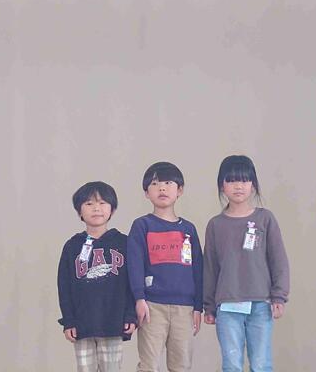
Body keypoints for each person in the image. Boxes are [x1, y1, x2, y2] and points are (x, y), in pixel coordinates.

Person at [203, 154, 290, 372]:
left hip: (261, 303)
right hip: (227, 306)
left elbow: (278, 259)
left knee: (261, 364)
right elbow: (210, 267)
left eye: (244, 180)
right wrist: (209, 306)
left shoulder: (265, 218)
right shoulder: (215, 225)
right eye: (231, 180)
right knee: (231, 364)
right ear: (222, 185)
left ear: (253, 184)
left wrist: (279, 295)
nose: (238, 186)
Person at [127, 162, 203, 372]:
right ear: (146, 193)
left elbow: (198, 269)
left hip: (184, 308)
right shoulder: (142, 225)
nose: (162, 188)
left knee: (181, 365)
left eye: (168, 183)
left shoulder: (188, 229)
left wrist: (198, 307)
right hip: (152, 306)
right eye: (155, 184)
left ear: (180, 190)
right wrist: (139, 298)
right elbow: (135, 264)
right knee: (149, 365)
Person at [57, 181, 137, 372]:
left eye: (102, 203)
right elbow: (64, 286)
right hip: (82, 323)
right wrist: (69, 320)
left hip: (113, 322)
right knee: (85, 368)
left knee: (112, 368)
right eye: (89, 203)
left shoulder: (124, 243)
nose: (96, 208)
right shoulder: (72, 246)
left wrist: (130, 315)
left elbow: (132, 283)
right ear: (79, 211)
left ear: (112, 209)